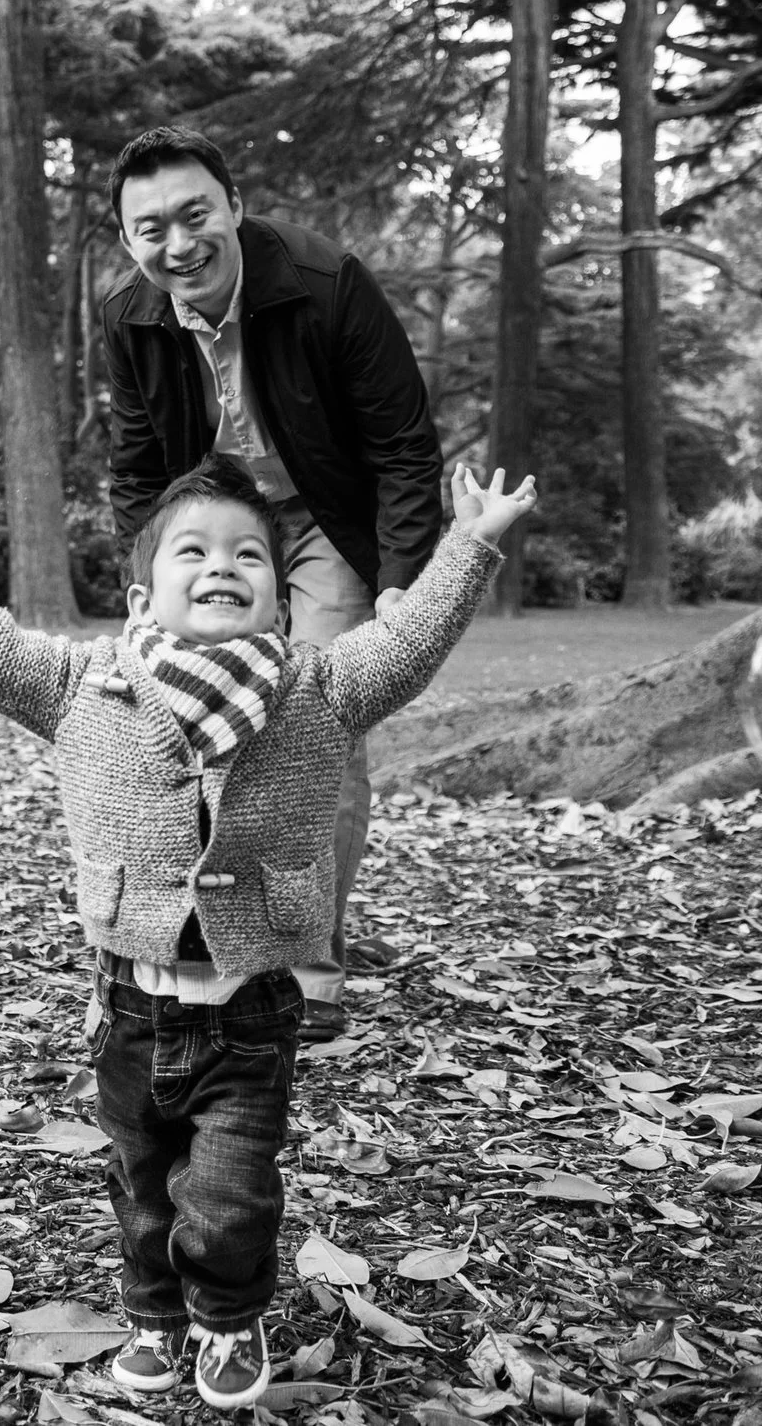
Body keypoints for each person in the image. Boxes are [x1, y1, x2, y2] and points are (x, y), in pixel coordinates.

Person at [0, 456, 533, 1410]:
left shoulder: (320, 686)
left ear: (278, 596)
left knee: (228, 1191)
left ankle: (226, 1313)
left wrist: (471, 543)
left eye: (249, 554)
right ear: (145, 592)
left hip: (251, 1009)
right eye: (196, 549)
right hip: (129, 1007)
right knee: (141, 1183)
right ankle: (152, 1310)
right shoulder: (83, 683)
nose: (224, 564)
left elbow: (412, 641)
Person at [100, 125, 445, 1043]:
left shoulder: (328, 282)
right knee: (180, 727)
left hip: (326, 517)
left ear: (235, 208)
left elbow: (404, 444)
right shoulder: (128, 313)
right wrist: (150, 572)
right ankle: (195, 943)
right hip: (217, 524)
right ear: (129, 241)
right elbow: (136, 462)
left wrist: (401, 581)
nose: (179, 244)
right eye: (151, 229)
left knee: (314, 723)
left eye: (195, 214)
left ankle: (306, 973)